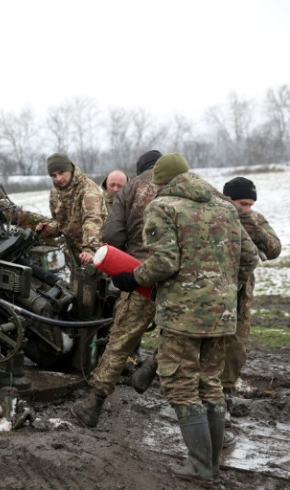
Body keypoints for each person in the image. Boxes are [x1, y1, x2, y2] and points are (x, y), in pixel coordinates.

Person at [110, 154, 258, 484]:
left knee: (182, 386)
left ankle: (201, 470)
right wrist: (221, 286)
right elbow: (249, 258)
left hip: (182, 316)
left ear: (160, 183)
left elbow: (163, 262)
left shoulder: (164, 207)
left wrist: (133, 278)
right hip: (222, 315)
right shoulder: (224, 208)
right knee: (210, 384)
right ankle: (212, 466)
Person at [70, 150, 161, 428]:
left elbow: (111, 236)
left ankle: (92, 405)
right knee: (181, 333)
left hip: (140, 274)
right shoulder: (187, 184)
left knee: (120, 340)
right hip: (182, 277)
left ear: (140, 169)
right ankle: (154, 364)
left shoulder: (133, 188)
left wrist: (123, 263)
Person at [219, 177, 281, 393]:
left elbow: (274, 249)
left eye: (250, 204)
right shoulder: (213, 215)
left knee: (237, 342)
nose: (246, 208)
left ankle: (227, 386)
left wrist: (252, 228)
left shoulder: (254, 219)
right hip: (214, 288)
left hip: (242, 291)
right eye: (242, 204)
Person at [35, 153, 106, 266]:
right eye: (54, 175)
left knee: (97, 281)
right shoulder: (55, 192)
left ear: (70, 170)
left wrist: (89, 249)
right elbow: (59, 221)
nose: (58, 178)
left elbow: (93, 220)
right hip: (72, 253)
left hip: (97, 248)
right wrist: (49, 228)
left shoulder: (87, 188)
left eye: (61, 173)